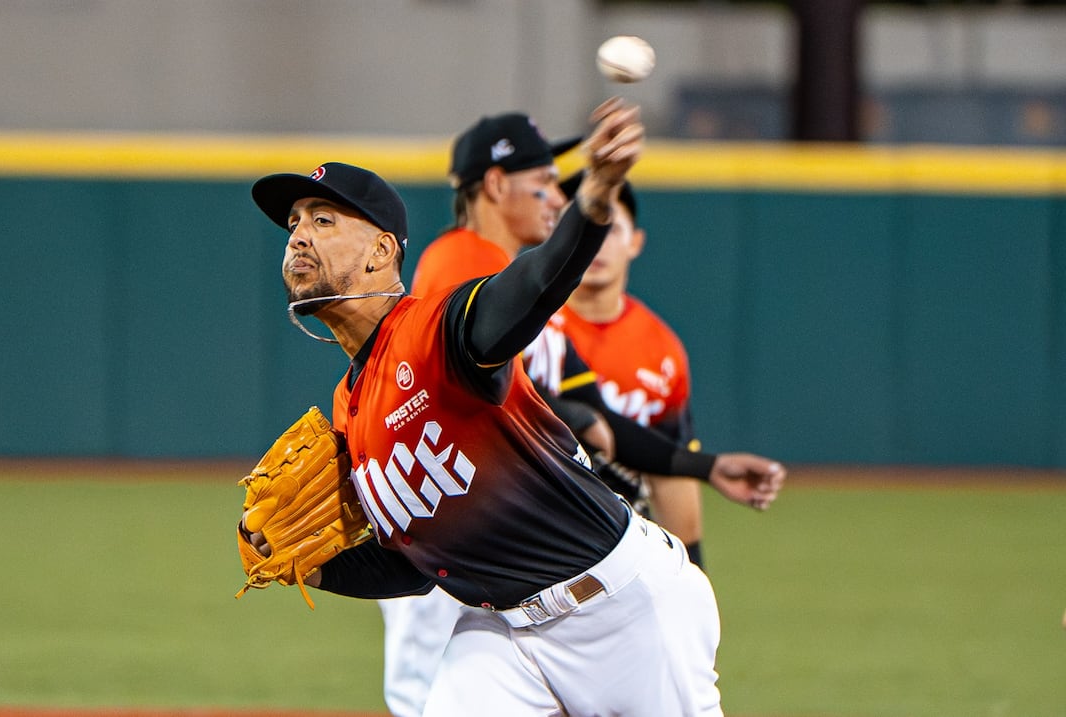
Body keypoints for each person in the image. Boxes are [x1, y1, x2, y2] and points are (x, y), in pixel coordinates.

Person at [248, 98, 785, 716]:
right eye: (293, 223)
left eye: (323, 220)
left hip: (624, 611)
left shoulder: (436, 330)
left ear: (380, 252)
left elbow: (532, 285)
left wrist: (595, 200)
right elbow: (416, 565)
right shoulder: (351, 407)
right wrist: (313, 567)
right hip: (504, 636)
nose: (298, 236)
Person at [556, 172, 709, 568]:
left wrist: (691, 570)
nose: (596, 242)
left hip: (621, 551)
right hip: (534, 538)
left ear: (635, 242)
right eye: (583, 226)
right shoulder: (532, 331)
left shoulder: (661, 348)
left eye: (609, 228)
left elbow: (671, 473)